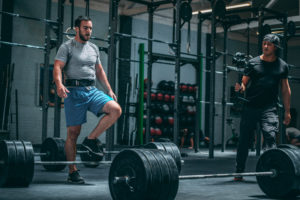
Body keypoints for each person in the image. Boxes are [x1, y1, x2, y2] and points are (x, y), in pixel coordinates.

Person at [53, 16, 122, 184]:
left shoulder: (93, 48)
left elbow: (99, 71)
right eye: (85, 28)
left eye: (90, 28)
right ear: (76, 28)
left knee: (115, 110)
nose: (89, 31)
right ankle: (72, 172)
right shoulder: (66, 47)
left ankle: (90, 140)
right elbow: (57, 67)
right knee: (73, 133)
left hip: (92, 90)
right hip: (74, 92)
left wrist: (109, 89)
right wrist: (59, 84)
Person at [234, 34, 291, 181]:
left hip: (269, 108)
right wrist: (241, 87)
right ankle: (239, 171)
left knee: (270, 138)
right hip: (251, 106)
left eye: (269, 44)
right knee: (244, 141)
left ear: (275, 47)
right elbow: (244, 82)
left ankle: (271, 171)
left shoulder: (282, 66)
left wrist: (287, 112)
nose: (265, 46)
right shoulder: (253, 63)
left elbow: (285, 89)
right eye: (264, 43)